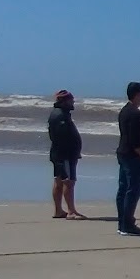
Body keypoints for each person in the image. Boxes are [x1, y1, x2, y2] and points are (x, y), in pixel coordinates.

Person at [115, 81, 140, 236]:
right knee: (132, 190)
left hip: (124, 153)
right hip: (133, 156)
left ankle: (123, 223)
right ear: (137, 94)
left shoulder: (125, 111)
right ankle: (127, 224)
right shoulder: (135, 114)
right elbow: (135, 141)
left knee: (124, 189)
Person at [46, 89, 86, 220]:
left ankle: (58, 210)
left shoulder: (61, 114)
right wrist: (70, 153)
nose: (73, 102)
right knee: (68, 181)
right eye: (71, 100)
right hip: (65, 155)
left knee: (59, 180)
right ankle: (71, 211)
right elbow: (61, 137)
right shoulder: (60, 115)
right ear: (64, 101)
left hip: (59, 154)